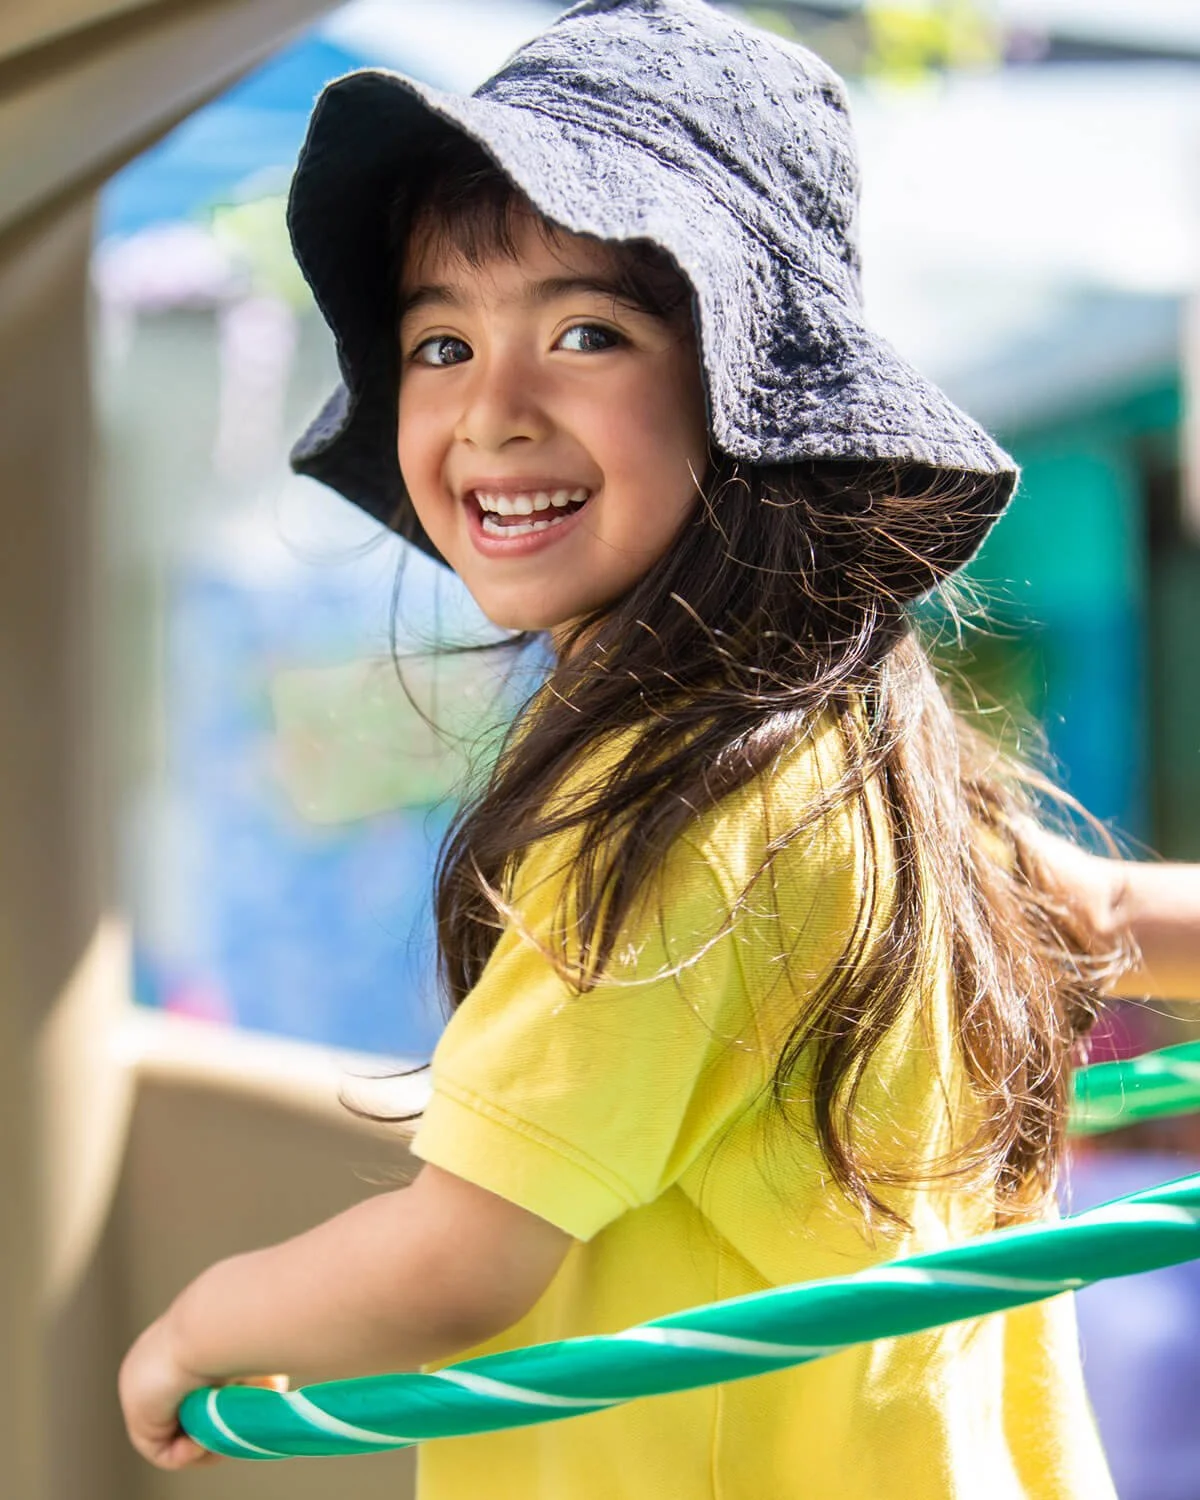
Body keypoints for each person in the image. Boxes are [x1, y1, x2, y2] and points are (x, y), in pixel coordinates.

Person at [117, 2, 1200, 1495]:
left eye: (585, 331)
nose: (492, 407)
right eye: (439, 340)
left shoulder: (657, 820)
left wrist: (193, 1327)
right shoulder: (860, 761)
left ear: (747, 403)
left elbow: (459, 1259)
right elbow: (1120, 917)